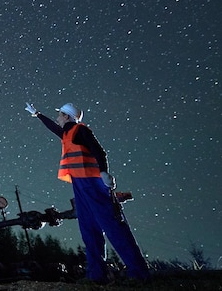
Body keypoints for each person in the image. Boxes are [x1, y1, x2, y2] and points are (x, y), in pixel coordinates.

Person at [24, 102, 150, 284]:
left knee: (113, 226)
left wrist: (105, 172)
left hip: (93, 183)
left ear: (67, 116)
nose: (58, 118)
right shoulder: (67, 133)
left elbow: (100, 152)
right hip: (80, 185)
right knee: (88, 229)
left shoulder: (81, 131)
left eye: (60, 115)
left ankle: (139, 273)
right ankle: (96, 275)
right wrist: (37, 114)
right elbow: (53, 127)